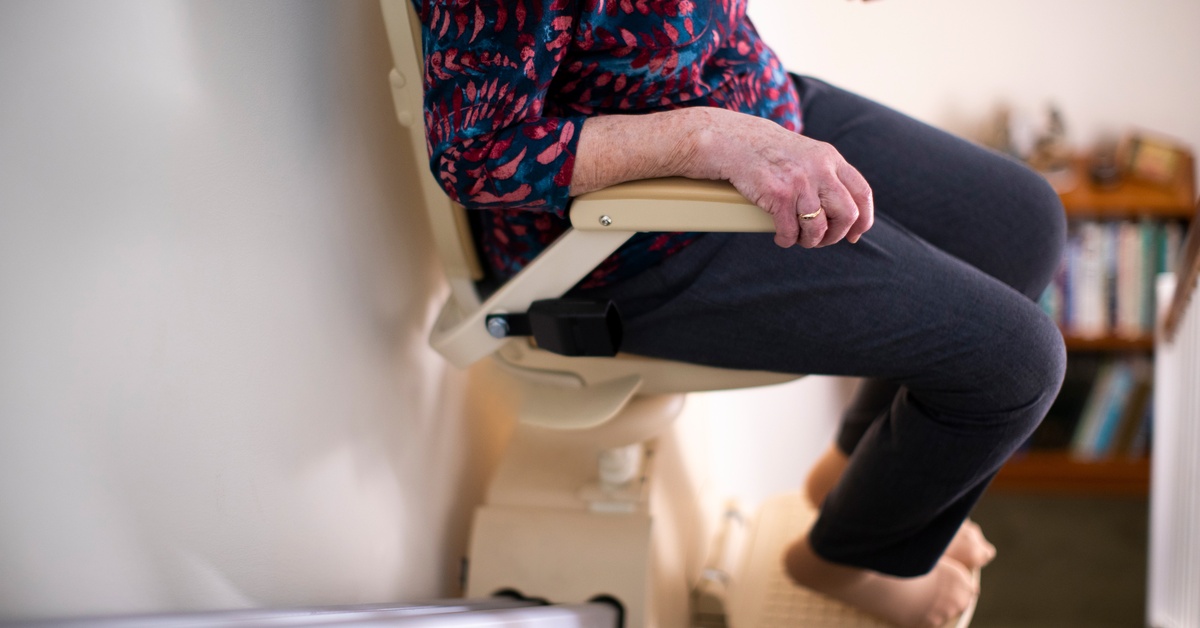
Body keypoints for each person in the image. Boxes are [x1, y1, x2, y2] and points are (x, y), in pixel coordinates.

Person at [416, 1, 1066, 626]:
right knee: (1016, 364)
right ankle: (843, 561)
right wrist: (703, 138)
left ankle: (849, 483)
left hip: (752, 97)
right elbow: (476, 154)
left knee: (1023, 224)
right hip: (636, 235)